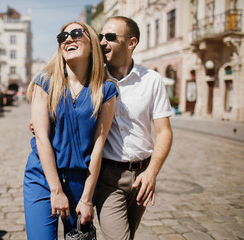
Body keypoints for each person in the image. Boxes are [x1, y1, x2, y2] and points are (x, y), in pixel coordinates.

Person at [23, 21, 118, 240]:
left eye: (76, 33)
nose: (68, 39)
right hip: (42, 177)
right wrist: (56, 191)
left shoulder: (106, 90)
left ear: (93, 44)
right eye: (62, 36)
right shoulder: (44, 82)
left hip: (81, 180)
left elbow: (98, 146)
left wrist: (86, 198)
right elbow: (42, 139)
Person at [96, 16, 173, 240]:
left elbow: (165, 131)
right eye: (101, 37)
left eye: (110, 37)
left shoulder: (152, 80)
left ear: (131, 43)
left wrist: (151, 172)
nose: (102, 42)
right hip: (108, 178)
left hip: (143, 177)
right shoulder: (95, 79)